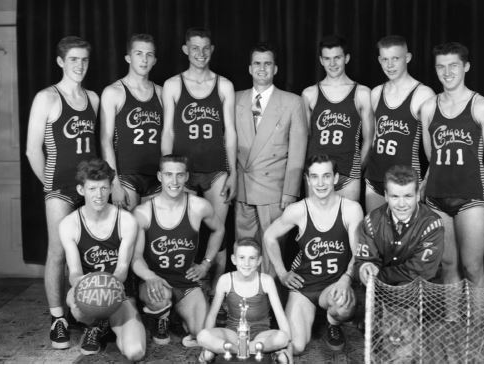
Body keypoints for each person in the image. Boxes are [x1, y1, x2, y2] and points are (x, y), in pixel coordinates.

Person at [25, 36, 98, 349]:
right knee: (57, 250)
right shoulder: (47, 97)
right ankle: (58, 319)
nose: (79, 65)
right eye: (73, 60)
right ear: (60, 62)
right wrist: (49, 185)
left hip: (90, 186)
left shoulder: (93, 98)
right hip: (60, 186)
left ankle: (92, 316)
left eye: (84, 59)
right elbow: (32, 150)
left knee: (91, 250)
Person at [420, 42, 484, 287]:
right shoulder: (428, 108)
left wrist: (478, 191)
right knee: (447, 266)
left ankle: (476, 327)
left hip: (471, 198)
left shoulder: (483, 108)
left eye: (453, 65)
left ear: (466, 66)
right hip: (436, 198)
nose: (447, 72)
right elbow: (432, 156)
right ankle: (453, 323)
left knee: (473, 267)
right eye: (441, 67)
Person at [264, 154, 364, 354]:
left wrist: (346, 279)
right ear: (308, 180)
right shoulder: (298, 211)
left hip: (334, 285)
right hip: (304, 286)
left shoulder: (351, 210)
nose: (321, 183)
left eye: (326, 176)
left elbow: (358, 253)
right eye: (315, 177)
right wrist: (282, 273)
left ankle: (332, 322)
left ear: (335, 178)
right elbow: (269, 237)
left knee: (343, 306)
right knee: (296, 346)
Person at [160, 27, 234, 296]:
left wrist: (232, 171)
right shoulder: (173, 84)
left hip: (216, 169)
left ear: (212, 50)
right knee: (184, 234)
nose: (200, 53)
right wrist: (166, 170)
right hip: (184, 171)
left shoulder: (223, 85)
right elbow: (167, 131)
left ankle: (218, 293)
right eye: (195, 48)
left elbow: (230, 133)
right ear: (185, 50)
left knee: (220, 231)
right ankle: (187, 291)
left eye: (205, 48)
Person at [131, 155, 225, 347]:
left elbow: (219, 229)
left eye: (179, 175)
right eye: (168, 175)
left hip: (186, 282)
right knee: (161, 298)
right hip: (157, 282)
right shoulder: (143, 212)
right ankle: (160, 316)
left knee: (203, 335)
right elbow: (136, 258)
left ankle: (176, 313)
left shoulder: (198, 206)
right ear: (159, 176)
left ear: (186, 177)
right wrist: (150, 276)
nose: (174, 181)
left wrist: (206, 264)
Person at [59, 158, 145, 360]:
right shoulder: (69, 224)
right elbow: (74, 272)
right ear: (81, 190)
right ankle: (94, 325)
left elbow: (122, 269)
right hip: (87, 291)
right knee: (74, 300)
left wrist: (107, 292)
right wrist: (89, 289)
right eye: (92, 189)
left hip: (118, 291)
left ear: (110, 188)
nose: (98, 195)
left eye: (104, 188)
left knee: (136, 352)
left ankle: (104, 325)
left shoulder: (126, 220)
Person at [235, 42, 308, 276]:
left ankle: (268, 296)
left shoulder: (292, 102)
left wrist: (290, 191)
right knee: (244, 247)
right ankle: (246, 295)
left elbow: (298, 150)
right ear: (249, 68)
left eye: (268, 64)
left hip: (274, 188)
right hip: (243, 186)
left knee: (272, 246)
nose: (262, 68)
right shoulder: (235, 99)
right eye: (257, 63)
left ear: (275, 69)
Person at [364, 35, 435, 212]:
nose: (390, 65)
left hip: (406, 182)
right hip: (375, 179)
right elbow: (372, 138)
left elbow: (434, 148)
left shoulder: (423, 94)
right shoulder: (376, 93)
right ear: (379, 60)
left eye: (395, 58)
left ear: (408, 58)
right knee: (375, 236)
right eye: (385, 59)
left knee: (405, 238)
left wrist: (427, 180)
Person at [197, 238, 291, 364]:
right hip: (232, 334)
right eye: (242, 257)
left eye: (252, 258)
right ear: (233, 259)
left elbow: (280, 315)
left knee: (282, 337)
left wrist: (287, 346)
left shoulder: (266, 280)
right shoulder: (225, 280)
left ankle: (232, 350)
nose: (246, 263)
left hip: (260, 335)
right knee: (202, 336)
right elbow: (212, 315)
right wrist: (206, 346)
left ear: (259, 261)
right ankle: (261, 351)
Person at [302, 35, 373, 201]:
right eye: (327, 59)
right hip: (316, 174)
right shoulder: (309, 94)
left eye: (337, 58)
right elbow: (304, 139)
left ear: (346, 58)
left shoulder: (362, 93)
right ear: (321, 60)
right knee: (315, 224)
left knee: (347, 224)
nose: (332, 64)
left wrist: (356, 169)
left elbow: (369, 139)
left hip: (348, 174)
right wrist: (309, 171)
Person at [100, 33, 163, 211]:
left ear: (155, 60)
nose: (144, 59)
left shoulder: (161, 92)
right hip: (127, 176)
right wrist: (114, 183)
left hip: (156, 176)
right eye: (139, 53)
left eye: (149, 54)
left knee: (156, 237)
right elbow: (106, 140)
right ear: (128, 58)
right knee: (129, 235)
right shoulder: (113, 92)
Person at [354, 165, 444, 286]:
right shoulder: (371, 221)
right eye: (395, 196)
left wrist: (378, 276)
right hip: (380, 291)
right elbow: (364, 260)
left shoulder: (432, 224)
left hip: (420, 293)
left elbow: (419, 272)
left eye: (408, 196)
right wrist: (366, 267)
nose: (402, 204)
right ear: (386, 196)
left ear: (417, 195)